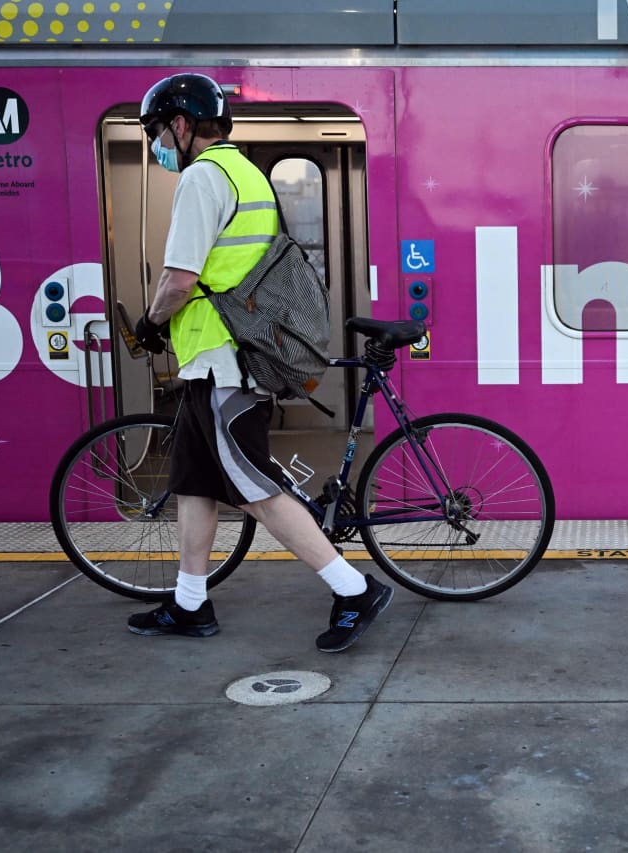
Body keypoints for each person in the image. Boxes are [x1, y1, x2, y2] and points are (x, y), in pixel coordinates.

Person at [128, 73, 392, 652]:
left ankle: (353, 589)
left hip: (225, 360)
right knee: (194, 484)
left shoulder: (202, 177)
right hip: (215, 362)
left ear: (181, 124)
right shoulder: (245, 172)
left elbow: (180, 279)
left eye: (156, 131)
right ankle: (190, 604)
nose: (157, 144)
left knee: (256, 490)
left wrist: (149, 323)